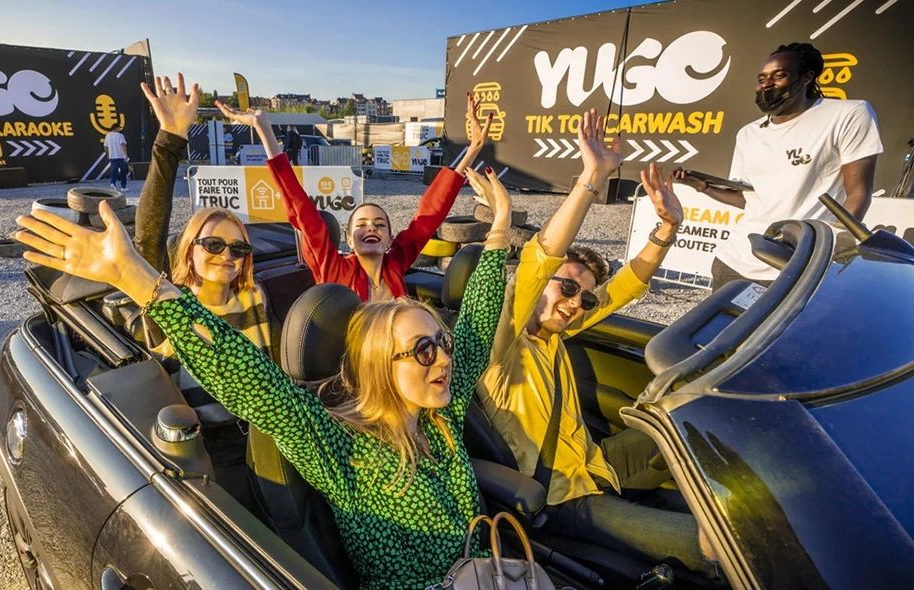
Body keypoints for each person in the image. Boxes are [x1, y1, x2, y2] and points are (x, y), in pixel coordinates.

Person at [13, 165, 515, 590]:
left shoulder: (441, 411)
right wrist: (134, 278)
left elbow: (473, 329)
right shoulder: (344, 445)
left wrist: (499, 231)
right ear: (381, 367)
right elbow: (251, 378)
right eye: (424, 350)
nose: (445, 359)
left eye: (441, 344)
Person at [475, 108, 720, 578]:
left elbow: (624, 286)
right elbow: (539, 259)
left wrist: (667, 229)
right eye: (566, 287)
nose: (575, 303)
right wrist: (591, 177)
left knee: (691, 438)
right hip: (565, 498)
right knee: (716, 547)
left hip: (597, 465)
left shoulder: (558, 333)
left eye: (583, 297)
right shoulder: (500, 340)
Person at [215, 93, 492, 302]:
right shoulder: (332, 268)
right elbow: (303, 213)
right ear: (348, 241)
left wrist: (473, 149)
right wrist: (264, 129)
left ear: (389, 240)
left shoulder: (396, 264)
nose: (371, 227)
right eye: (360, 225)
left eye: (379, 225)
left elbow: (428, 217)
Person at [674, 42, 883, 291]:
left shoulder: (848, 114)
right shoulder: (748, 134)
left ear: (807, 77)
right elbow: (750, 200)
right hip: (735, 262)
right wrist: (705, 188)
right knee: (724, 331)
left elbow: (858, 194)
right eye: (762, 78)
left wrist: (822, 256)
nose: (767, 84)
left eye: (779, 75)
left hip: (798, 268)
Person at [132, 74, 277, 366]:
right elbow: (149, 239)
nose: (227, 255)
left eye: (239, 249)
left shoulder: (254, 299)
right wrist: (170, 138)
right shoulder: (172, 306)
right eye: (213, 244)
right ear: (189, 250)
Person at [104, 123, 129, 192]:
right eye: (119, 128)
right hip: (120, 156)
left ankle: (113, 183)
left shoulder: (108, 136)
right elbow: (123, 145)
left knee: (114, 171)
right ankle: (123, 186)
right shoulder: (120, 136)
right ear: (116, 128)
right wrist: (125, 155)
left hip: (112, 156)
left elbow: (106, 146)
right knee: (123, 172)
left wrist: (108, 154)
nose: (120, 129)